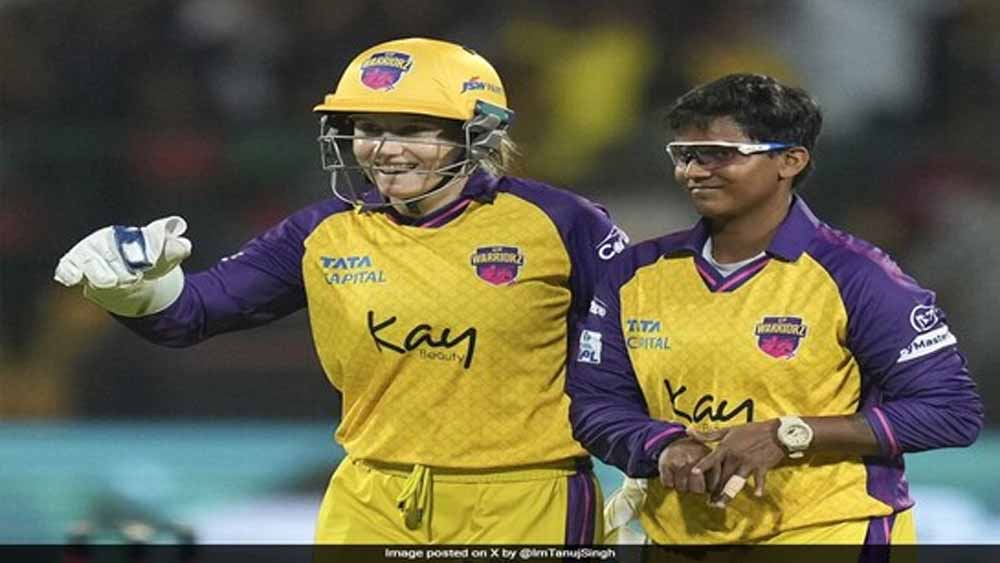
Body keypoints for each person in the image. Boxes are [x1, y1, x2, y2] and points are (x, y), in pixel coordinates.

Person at [54, 37, 626, 544]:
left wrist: (655, 447)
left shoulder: (562, 223)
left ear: (476, 132)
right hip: (371, 497)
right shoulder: (323, 232)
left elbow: (646, 333)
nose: (385, 149)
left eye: (412, 130)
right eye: (368, 129)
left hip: (525, 496)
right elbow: (190, 314)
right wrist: (133, 289)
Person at [567, 73, 983, 546]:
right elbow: (596, 404)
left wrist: (790, 435)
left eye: (719, 154)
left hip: (827, 533)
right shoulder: (634, 273)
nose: (693, 171)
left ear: (790, 160)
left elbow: (950, 411)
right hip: (682, 539)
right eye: (684, 154)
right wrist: (663, 446)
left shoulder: (857, 276)